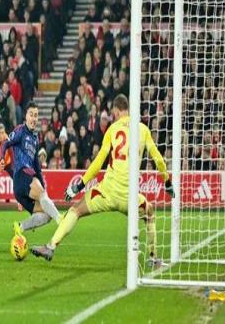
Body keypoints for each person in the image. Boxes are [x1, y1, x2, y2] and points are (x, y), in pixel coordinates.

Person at [31, 94, 175, 264]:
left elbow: (98, 162)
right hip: (129, 197)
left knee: (75, 210)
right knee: (149, 213)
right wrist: (167, 182)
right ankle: (153, 257)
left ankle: (50, 246)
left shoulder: (112, 130)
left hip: (106, 192)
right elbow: (158, 159)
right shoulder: (143, 130)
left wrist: (79, 185)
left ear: (116, 110)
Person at [0, 101, 61, 239]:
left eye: (36, 115)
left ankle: (20, 227)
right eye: (31, 115)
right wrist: (2, 158)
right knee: (45, 199)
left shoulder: (35, 139)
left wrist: (43, 188)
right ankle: (61, 221)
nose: (33, 118)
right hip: (22, 174)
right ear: (26, 116)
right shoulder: (20, 130)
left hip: (21, 190)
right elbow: (5, 143)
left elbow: (37, 168)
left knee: (46, 215)